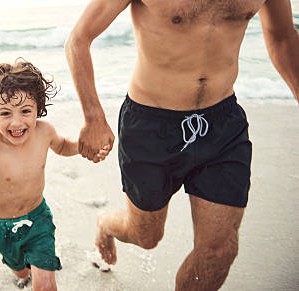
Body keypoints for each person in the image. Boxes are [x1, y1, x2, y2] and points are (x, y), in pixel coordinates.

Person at [65, 0, 298, 290]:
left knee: (220, 251)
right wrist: (93, 117)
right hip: (151, 125)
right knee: (146, 236)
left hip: (222, 124)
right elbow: (79, 38)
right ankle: (106, 223)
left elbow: (282, 36)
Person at [0, 60, 79, 290]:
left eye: (26, 111)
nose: (17, 122)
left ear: (38, 108)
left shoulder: (45, 132)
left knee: (45, 285)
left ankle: (40, 273)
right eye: (5, 113)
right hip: (2, 228)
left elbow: (62, 147)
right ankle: (23, 274)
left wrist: (83, 146)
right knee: (20, 269)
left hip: (39, 219)